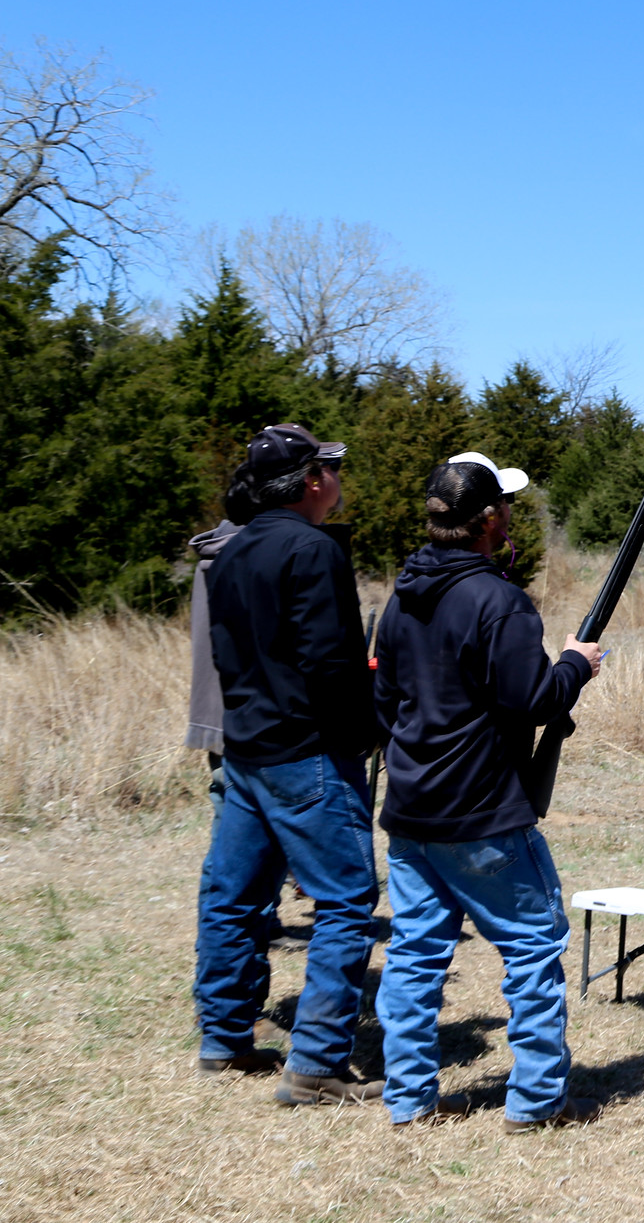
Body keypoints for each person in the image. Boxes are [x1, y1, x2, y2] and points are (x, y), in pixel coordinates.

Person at [371, 452, 605, 1132]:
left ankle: (409, 1100)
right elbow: (532, 698)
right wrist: (575, 664)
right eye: (505, 506)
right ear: (489, 519)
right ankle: (536, 1102)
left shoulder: (401, 596)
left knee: (415, 955)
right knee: (534, 946)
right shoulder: (498, 600)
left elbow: (383, 705)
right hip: (483, 815)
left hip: (412, 812)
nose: (511, 517)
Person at [196, 424, 383, 1103]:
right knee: (347, 899)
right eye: (331, 470)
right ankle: (316, 1065)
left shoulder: (232, 549)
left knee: (234, 896)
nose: (337, 481)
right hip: (306, 751)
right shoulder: (313, 549)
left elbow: (229, 656)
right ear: (311, 481)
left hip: (246, 750)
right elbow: (330, 665)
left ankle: (223, 1037)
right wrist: (366, 729)